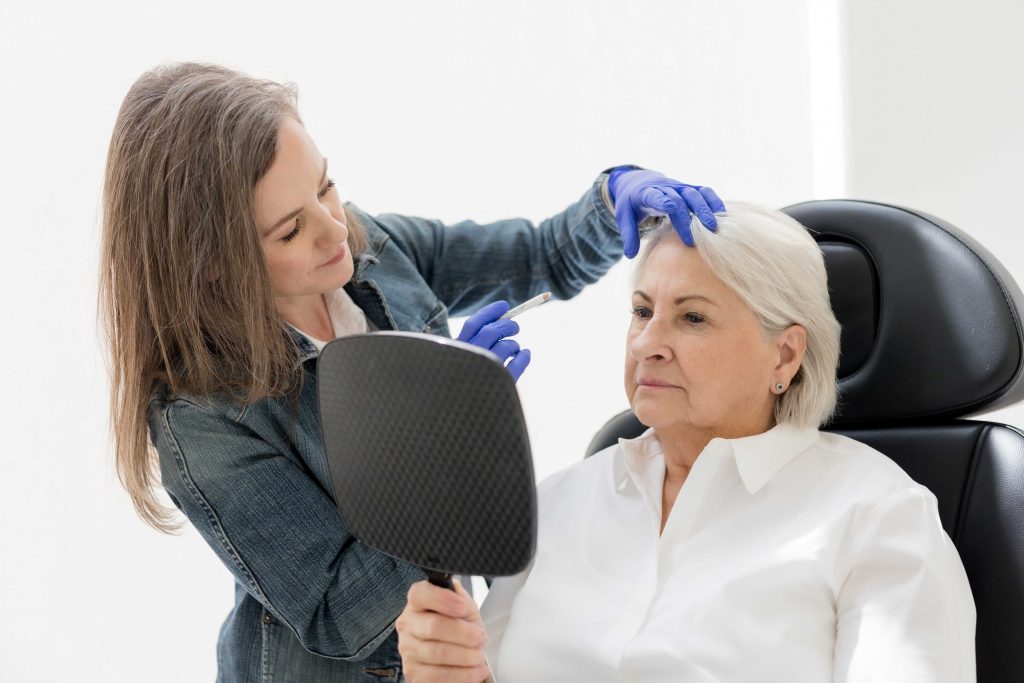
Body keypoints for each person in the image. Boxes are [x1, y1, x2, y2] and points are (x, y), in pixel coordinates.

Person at [98, 61, 721, 683]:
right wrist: (448, 432)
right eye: (291, 230)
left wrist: (615, 196)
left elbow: (540, 258)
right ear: (213, 265)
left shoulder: (375, 251)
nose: (335, 229)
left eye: (324, 186)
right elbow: (342, 613)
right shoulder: (202, 416)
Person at [395, 202, 977, 682]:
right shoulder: (557, 504)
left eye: (692, 318)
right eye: (641, 310)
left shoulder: (876, 515)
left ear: (786, 355)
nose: (649, 342)